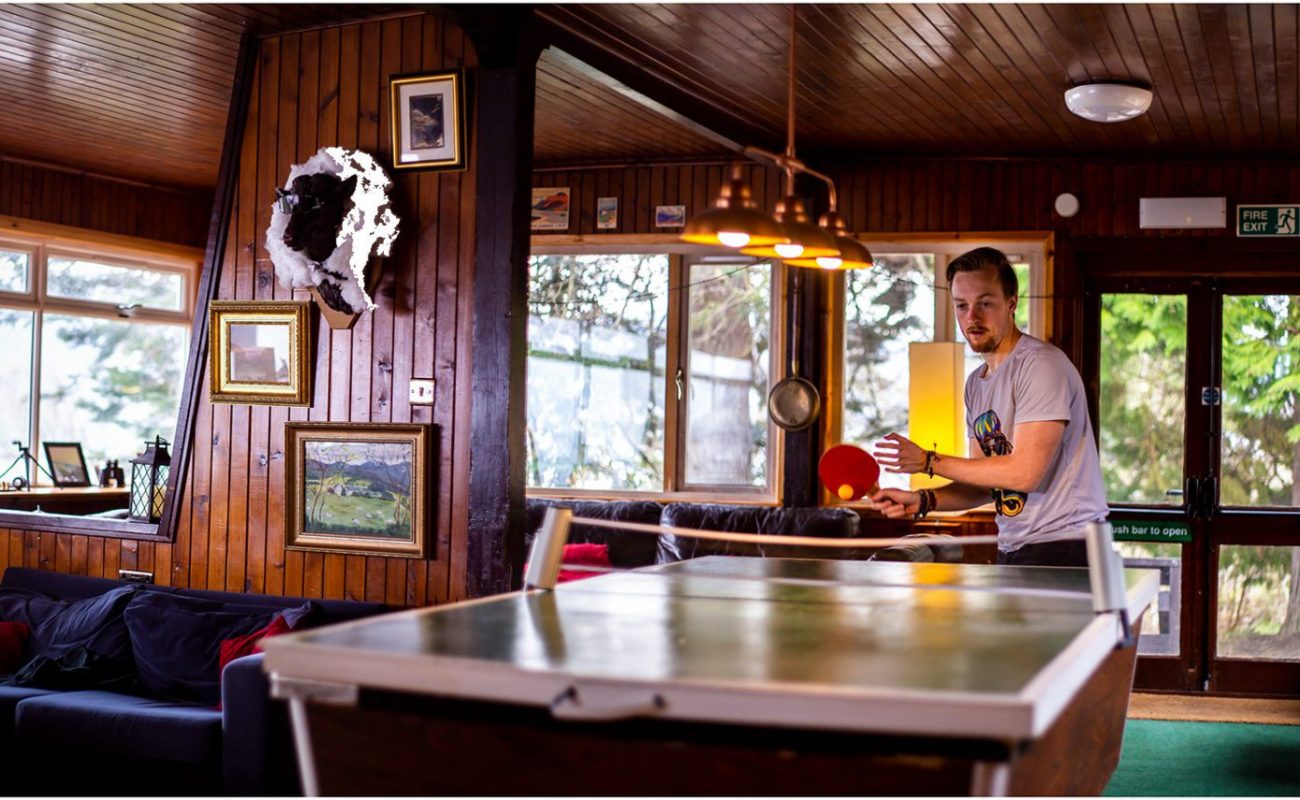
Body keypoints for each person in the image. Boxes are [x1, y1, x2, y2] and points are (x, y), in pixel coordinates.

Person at [869, 247, 1108, 567]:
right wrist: (923, 499)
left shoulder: (1040, 365)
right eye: (962, 306)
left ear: (1012, 303)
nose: (972, 317)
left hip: (1066, 545)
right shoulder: (976, 384)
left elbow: (1024, 475)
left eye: (985, 303)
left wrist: (928, 460)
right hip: (1014, 545)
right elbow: (985, 482)